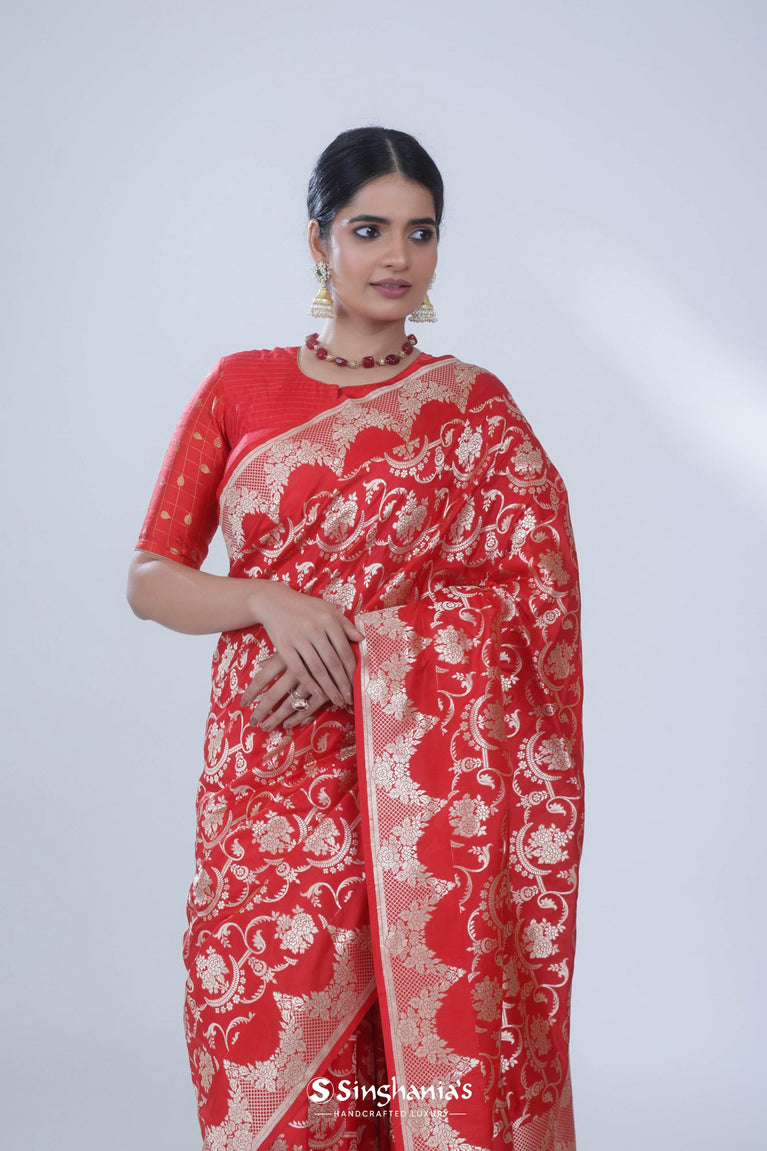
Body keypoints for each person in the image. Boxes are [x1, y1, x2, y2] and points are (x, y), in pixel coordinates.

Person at [127, 127, 584, 1151]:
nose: (396, 256)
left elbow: (535, 600)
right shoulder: (239, 385)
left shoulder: (472, 408)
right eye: (368, 229)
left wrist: (368, 641)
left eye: (420, 232)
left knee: (413, 1070)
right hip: (264, 781)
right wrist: (265, 600)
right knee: (265, 1052)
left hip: (424, 802)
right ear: (318, 240)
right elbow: (150, 578)